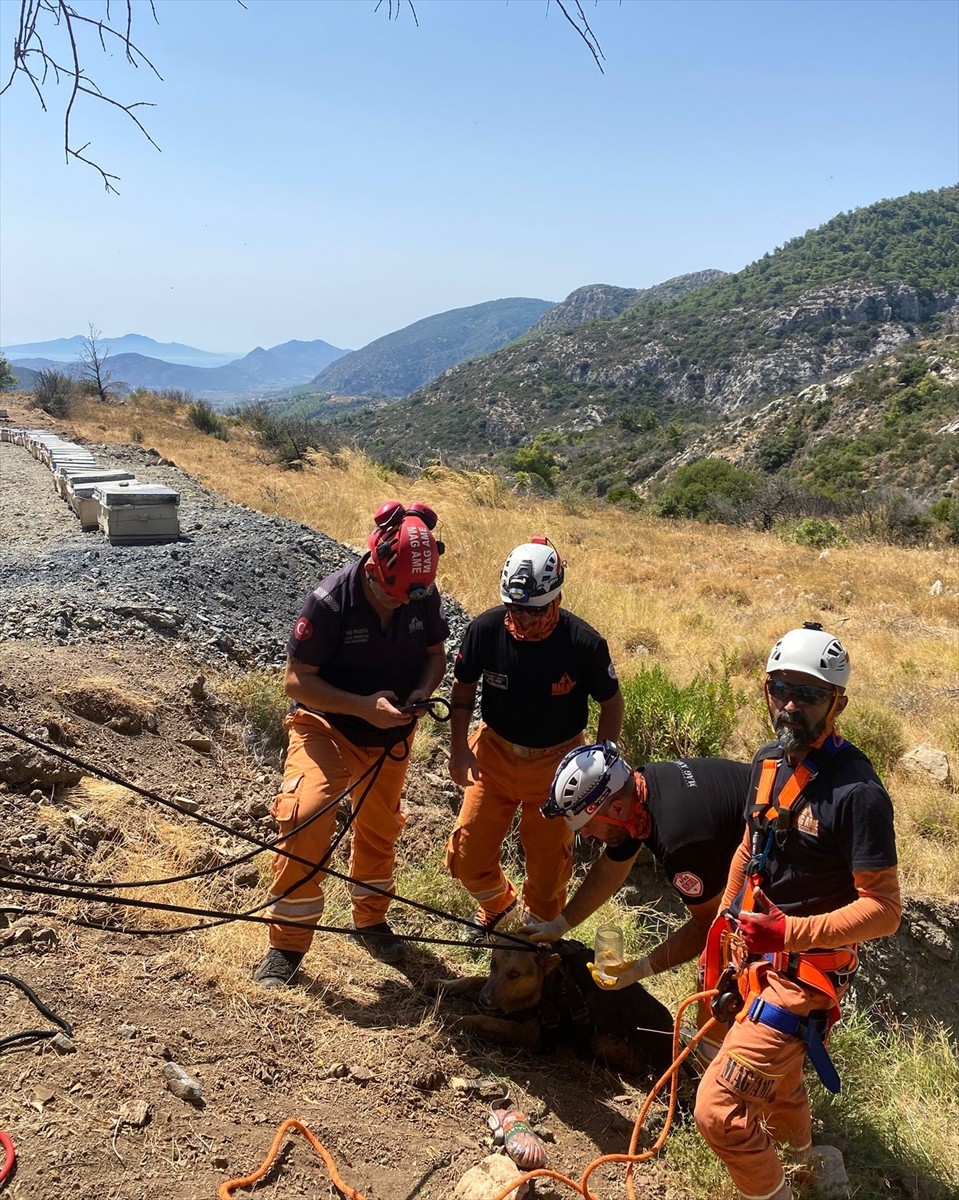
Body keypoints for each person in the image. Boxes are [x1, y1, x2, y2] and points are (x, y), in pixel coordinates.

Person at [693, 623, 901, 1200]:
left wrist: (788, 932)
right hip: (752, 952)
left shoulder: (857, 793)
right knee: (779, 1082)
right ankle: (805, 1163)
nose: (790, 704)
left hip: (803, 974)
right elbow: (747, 848)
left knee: (718, 1110)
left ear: (838, 702)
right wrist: (725, 923)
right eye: (781, 688)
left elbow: (884, 910)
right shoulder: (766, 763)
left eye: (808, 695)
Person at [253, 501, 449, 987]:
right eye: (391, 595)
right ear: (374, 564)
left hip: (389, 734)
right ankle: (287, 946)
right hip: (327, 727)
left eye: (408, 599)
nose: (399, 604)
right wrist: (361, 706)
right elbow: (296, 681)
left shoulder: (418, 592)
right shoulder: (330, 601)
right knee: (305, 813)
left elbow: (435, 656)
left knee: (380, 827)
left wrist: (423, 692)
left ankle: (371, 921)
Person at [446, 538, 624, 941]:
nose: (524, 619)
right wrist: (459, 749)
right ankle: (498, 906)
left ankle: (534, 945)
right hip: (493, 754)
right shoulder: (486, 629)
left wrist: (603, 763)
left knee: (547, 878)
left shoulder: (583, 643)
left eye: (535, 610)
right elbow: (462, 688)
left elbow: (612, 703)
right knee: (467, 857)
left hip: (560, 765)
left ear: (557, 596)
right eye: (515, 608)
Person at [525, 742, 749, 984]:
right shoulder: (640, 788)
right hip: (756, 824)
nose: (587, 834)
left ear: (617, 809)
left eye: (587, 825)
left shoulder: (679, 842)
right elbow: (612, 866)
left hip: (782, 855)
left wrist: (641, 969)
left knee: (719, 972)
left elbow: (709, 922)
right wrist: (558, 926)